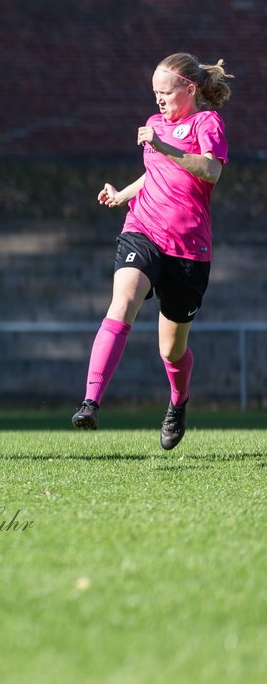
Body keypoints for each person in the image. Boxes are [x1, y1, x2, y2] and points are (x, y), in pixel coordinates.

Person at [72, 53, 233, 450]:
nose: (158, 100)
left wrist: (163, 146)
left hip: (189, 250)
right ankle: (91, 402)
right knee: (122, 301)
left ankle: (179, 402)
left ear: (190, 89)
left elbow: (211, 171)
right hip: (142, 231)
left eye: (166, 92)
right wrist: (121, 194)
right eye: (155, 93)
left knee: (171, 349)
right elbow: (154, 173)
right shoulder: (156, 124)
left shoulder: (206, 122)